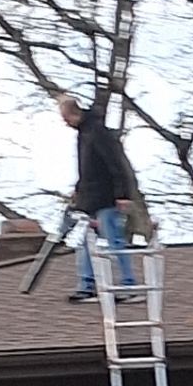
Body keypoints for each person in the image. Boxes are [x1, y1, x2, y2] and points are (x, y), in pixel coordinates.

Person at [57, 92, 138, 302]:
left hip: (107, 198)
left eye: (65, 118)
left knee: (114, 241)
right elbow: (89, 168)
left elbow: (116, 163)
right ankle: (87, 285)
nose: (65, 123)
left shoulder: (97, 132)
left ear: (73, 114)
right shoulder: (84, 134)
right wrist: (79, 189)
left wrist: (122, 194)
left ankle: (129, 284)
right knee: (86, 241)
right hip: (91, 199)